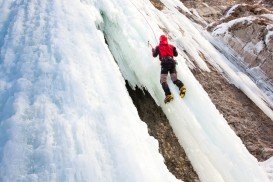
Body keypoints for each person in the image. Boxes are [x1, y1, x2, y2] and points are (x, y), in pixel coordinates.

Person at [152, 35, 186, 103]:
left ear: (160, 40)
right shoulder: (171, 46)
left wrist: (153, 50)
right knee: (174, 79)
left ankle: (168, 95)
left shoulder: (158, 47)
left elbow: (154, 55)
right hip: (172, 63)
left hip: (165, 63)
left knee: (163, 80)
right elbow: (176, 54)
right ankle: (182, 87)